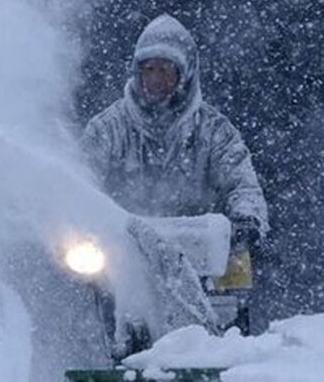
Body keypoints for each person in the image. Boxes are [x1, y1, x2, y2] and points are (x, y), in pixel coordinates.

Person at [80, 13, 269, 252]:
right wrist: (82, 219)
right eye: (149, 69)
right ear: (137, 72)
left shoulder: (215, 131)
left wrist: (246, 218)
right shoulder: (108, 128)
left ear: (186, 74)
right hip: (120, 255)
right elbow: (83, 178)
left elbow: (242, 184)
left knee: (237, 274)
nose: (155, 79)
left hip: (205, 254)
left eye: (165, 70)